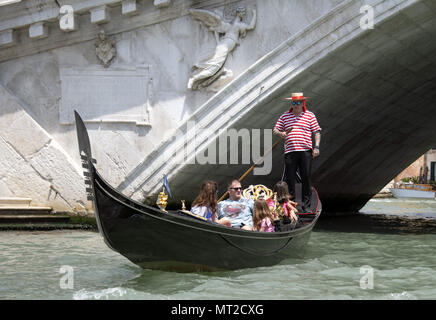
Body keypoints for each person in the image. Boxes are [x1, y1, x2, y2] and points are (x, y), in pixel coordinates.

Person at [273, 92, 321, 211]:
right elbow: (276, 129)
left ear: (302, 103)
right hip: (290, 151)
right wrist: (281, 133)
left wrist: (317, 147)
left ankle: (306, 205)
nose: (296, 105)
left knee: (306, 177)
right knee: (290, 179)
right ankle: (291, 205)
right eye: (294, 102)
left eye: (298, 102)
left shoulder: (309, 115)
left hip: (305, 151)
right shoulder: (285, 116)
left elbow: (317, 132)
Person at [188, 7, 257, 90]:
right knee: (213, 69)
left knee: (216, 69)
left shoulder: (227, 26)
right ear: (239, 14)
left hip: (223, 46)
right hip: (224, 48)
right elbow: (251, 26)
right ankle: (194, 78)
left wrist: (218, 41)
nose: (243, 14)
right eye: (242, 13)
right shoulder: (238, 25)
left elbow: (216, 30)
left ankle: (202, 82)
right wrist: (254, 13)